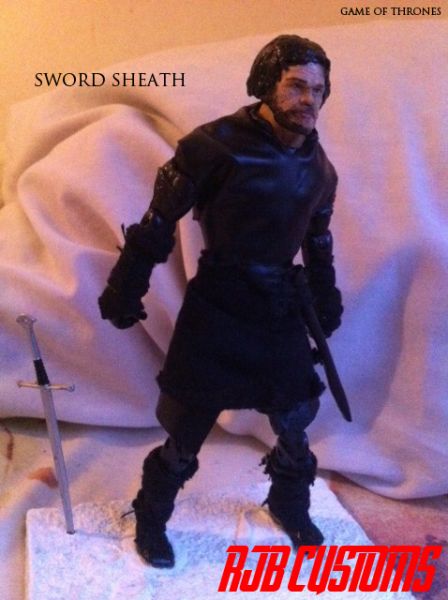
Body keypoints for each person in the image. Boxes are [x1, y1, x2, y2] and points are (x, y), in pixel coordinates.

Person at [99, 34, 343, 569]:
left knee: (294, 420)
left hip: (279, 305)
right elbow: (158, 222)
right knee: (186, 428)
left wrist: (326, 299)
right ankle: (152, 516)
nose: (308, 99)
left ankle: (288, 502)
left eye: (318, 90)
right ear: (266, 85)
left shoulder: (319, 167)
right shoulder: (213, 146)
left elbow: (318, 240)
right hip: (219, 305)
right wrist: (126, 285)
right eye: (296, 86)